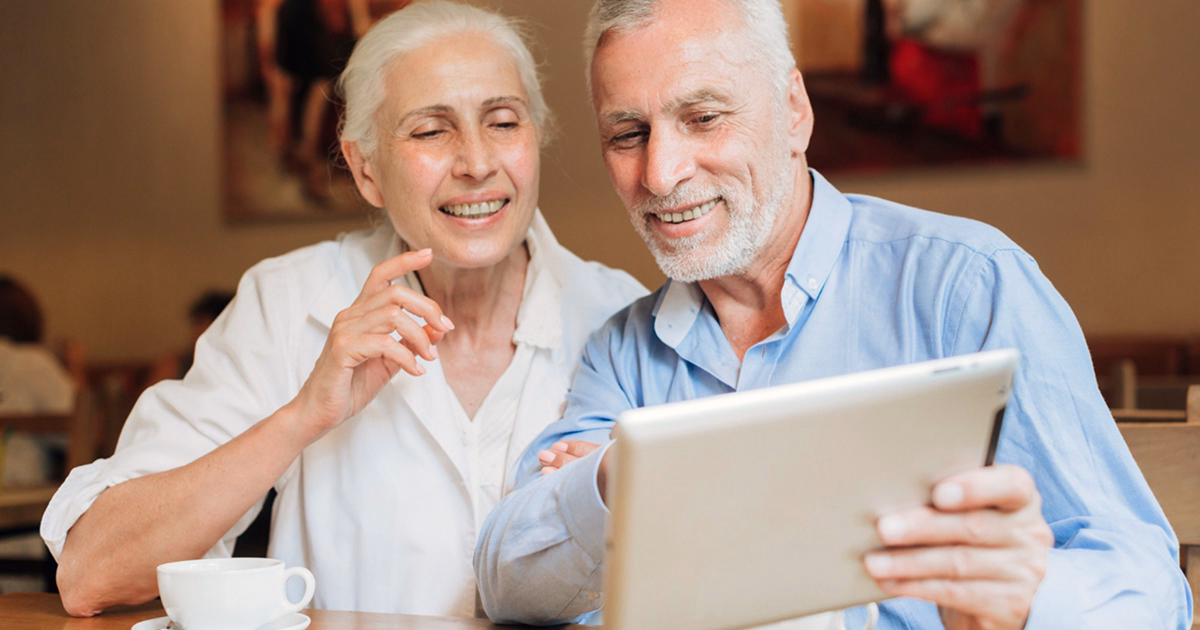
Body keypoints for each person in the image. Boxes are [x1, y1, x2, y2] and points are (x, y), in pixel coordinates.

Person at [474, 0, 1191, 628]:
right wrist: (614, 480)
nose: (660, 173)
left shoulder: (966, 286)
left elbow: (1153, 591)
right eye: (628, 133)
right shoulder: (624, 351)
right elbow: (508, 578)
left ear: (794, 111)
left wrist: (1027, 600)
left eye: (703, 117)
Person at [43, 2, 645, 618]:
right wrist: (303, 415)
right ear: (365, 170)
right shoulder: (289, 301)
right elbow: (93, 573)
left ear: (536, 137)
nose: (476, 163)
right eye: (430, 131)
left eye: (502, 122)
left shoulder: (623, 315)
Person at [146, 290, 236, 384]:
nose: (195, 332)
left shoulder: (231, 367)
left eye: (200, 323)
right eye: (196, 324)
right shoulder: (175, 364)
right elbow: (147, 397)